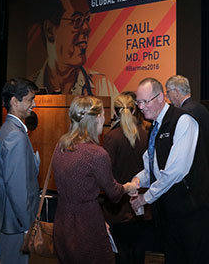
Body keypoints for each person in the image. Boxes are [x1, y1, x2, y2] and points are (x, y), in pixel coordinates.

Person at [130, 77, 209, 263]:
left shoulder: (183, 120)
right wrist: (137, 180)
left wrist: (145, 198)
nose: (140, 107)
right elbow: (153, 168)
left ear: (160, 97)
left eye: (144, 101)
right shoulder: (154, 127)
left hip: (191, 213)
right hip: (168, 213)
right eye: (138, 102)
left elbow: (176, 171)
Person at [51, 95, 137, 264]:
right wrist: (128, 186)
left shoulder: (60, 146)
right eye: (103, 115)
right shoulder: (96, 154)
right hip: (86, 225)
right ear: (97, 118)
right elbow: (114, 193)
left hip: (62, 222)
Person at [30, 0, 118, 101]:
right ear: (50, 30)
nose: (87, 28)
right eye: (77, 20)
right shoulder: (29, 89)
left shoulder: (102, 86)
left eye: (87, 19)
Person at [0, 78, 40, 264]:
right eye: (30, 99)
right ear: (14, 102)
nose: (34, 104)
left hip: (12, 220)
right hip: (16, 222)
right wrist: (27, 224)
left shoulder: (10, 129)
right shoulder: (15, 135)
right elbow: (17, 187)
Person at [102, 94, 149, 264]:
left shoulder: (111, 137)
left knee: (120, 254)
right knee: (139, 252)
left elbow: (106, 172)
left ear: (115, 111)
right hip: (142, 204)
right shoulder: (145, 134)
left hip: (118, 205)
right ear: (135, 109)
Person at [165, 75, 209, 157]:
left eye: (168, 92)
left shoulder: (183, 114)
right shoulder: (201, 107)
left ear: (176, 92)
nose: (167, 97)